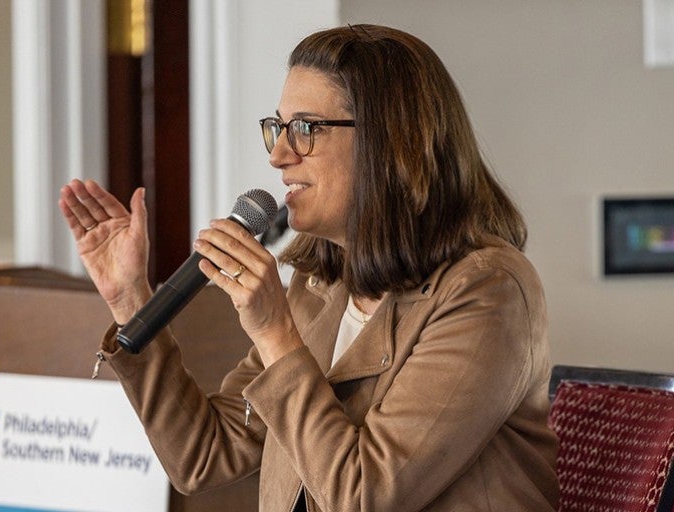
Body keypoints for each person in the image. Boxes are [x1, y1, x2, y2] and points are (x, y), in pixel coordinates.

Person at [59, 24, 558, 512]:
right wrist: (130, 298)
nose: (278, 155)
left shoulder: (488, 292)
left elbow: (364, 495)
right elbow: (203, 456)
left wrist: (275, 334)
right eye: (277, 128)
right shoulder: (322, 284)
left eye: (304, 129)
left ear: (389, 141)